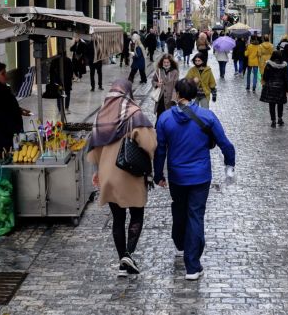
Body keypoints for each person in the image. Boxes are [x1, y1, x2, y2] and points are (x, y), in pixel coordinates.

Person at [153, 78, 235, 280]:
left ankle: (180, 243)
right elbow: (225, 143)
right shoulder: (207, 116)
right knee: (195, 215)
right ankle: (192, 266)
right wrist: (229, 166)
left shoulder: (164, 118)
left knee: (179, 209)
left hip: (177, 175)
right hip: (200, 175)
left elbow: (160, 149)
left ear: (178, 94)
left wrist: (158, 174)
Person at [87, 79, 157, 276]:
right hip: (130, 174)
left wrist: (98, 171)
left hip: (108, 176)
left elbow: (94, 149)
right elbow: (149, 144)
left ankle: (122, 263)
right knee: (137, 215)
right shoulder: (134, 114)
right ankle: (128, 254)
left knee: (118, 219)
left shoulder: (101, 115)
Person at [260, 51, 288, 127]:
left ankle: (273, 121)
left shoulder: (269, 65)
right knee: (280, 104)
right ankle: (280, 118)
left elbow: (265, 77)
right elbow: (286, 78)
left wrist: (265, 81)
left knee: (272, 104)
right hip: (281, 87)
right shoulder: (284, 66)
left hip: (271, 87)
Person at [153, 54, 179, 122]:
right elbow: (153, 81)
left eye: (167, 62)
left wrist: (175, 98)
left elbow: (176, 85)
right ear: (162, 62)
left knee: (169, 117)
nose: (166, 64)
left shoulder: (175, 72)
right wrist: (157, 84)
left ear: (170, 62)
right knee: (159, 117)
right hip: (161, 98)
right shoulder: (159, 71)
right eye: (164, 62)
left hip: (170, 99)